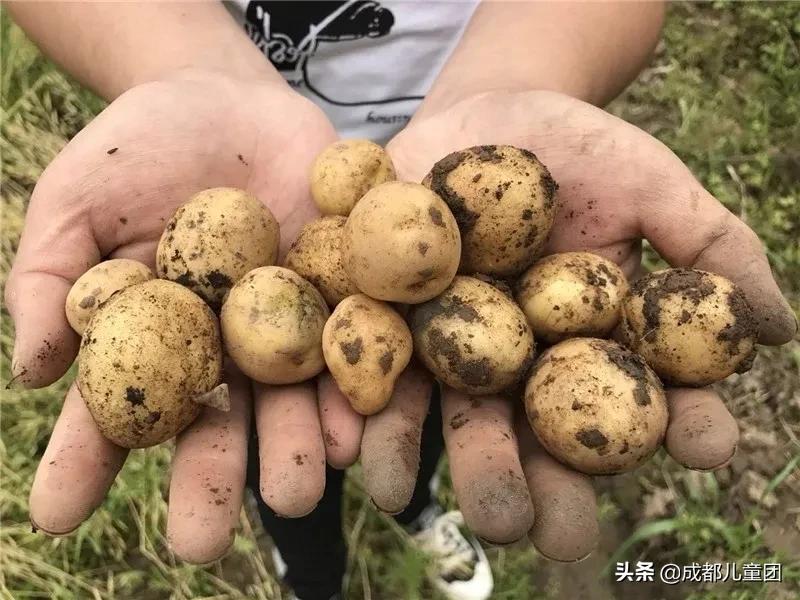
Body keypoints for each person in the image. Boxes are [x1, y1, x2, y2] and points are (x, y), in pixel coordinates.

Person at [6, 2, 796, 600]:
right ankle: (309, 566)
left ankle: (416, 510)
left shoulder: (442, 271)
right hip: (250, 144)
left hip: (467, 114)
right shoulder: (289, 282)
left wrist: (519, 77)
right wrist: (187, 70)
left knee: (417, 423)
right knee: (286, 464)